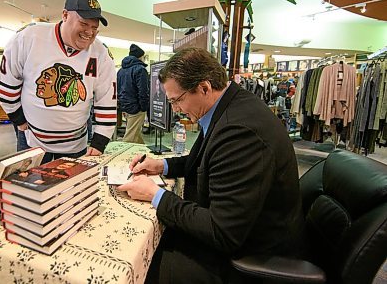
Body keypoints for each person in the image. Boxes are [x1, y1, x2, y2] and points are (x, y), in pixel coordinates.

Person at [118, 47, 305, 283]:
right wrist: (161, 165)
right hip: (244, 233)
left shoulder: (239, 133)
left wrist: (156, 195)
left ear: (204, 88)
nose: (176, 110)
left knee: (145, 264)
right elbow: (207, 159)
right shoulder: (232, 106)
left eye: (177, 100)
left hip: (252, 255)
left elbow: (222, 232)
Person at [0, 0, 117, 163]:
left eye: (94, 28)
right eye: (84, 24)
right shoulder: (29, 37)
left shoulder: (101, 53)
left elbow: (106, 100)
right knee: (30, 187)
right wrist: (18, 118)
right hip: (32, 139)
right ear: (65, 15)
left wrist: (99, 142)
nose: (89, 32)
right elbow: (8, 80)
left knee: (73, 189)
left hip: (77, 144)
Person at [117, 44, 149, 144]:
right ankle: (123, 157)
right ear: (140, 57)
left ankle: (143, 153)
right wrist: (144, 107)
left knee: (135, 133)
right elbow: (143, 91)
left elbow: (118, 88)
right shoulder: (140, 69)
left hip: (125, 106)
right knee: (130, 138)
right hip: (137, 107)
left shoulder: (121, 71)